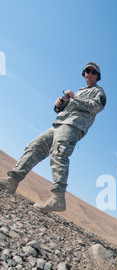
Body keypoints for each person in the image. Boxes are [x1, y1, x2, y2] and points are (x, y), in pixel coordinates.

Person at [0, 62, 106, 213]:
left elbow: (97, 106)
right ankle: (12, 180)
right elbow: (63, 109)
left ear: (97, 76)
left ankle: (57, 198)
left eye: (93, 72)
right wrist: (59, 105)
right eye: (87, 71)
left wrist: (74, 98)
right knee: (35, 146)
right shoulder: (81, 90)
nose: (89, 73)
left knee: (59, 153)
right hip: (59, 123)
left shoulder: (98, 91)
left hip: (73, 126)